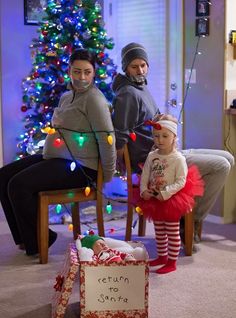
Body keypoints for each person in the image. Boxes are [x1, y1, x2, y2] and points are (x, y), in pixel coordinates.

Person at [112, 42, 234, 241]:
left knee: (228, 157)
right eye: (134, 66)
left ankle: (189, 218)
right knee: (220, 165)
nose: (140, 70)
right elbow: (120, 134)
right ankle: (190, 221)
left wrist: (165, 119)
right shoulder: (128, 94)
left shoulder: (140, 88)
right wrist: (123, 164)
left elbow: (151, 120)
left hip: (168, 151)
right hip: (156, 161)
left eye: (143, 65)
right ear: (125, 68)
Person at [0, 49, 116, 256]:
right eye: (77, 71)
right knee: (3, 177)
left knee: (18, 185)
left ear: (94, 73)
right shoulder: (66, 97)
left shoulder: (94, 100)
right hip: (58, 160)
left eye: (87, 72)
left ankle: (41, 239)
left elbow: (107, 140)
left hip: (81, 168)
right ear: (69, 71)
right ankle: (26, 238)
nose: (82, 78)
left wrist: (104, 177)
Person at [135, 116, 204, 274]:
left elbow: (181, 181)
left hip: (172, 199)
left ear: (174, 137)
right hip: (153, 198)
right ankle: (162, 257)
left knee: (172, 232)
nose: (160, 140)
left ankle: (172, 262)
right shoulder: (152, 156)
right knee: (159, 231)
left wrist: (166, 193)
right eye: (156, 136)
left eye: (165, 136)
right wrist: (143, 190)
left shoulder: (178, 158)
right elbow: (145, 174)